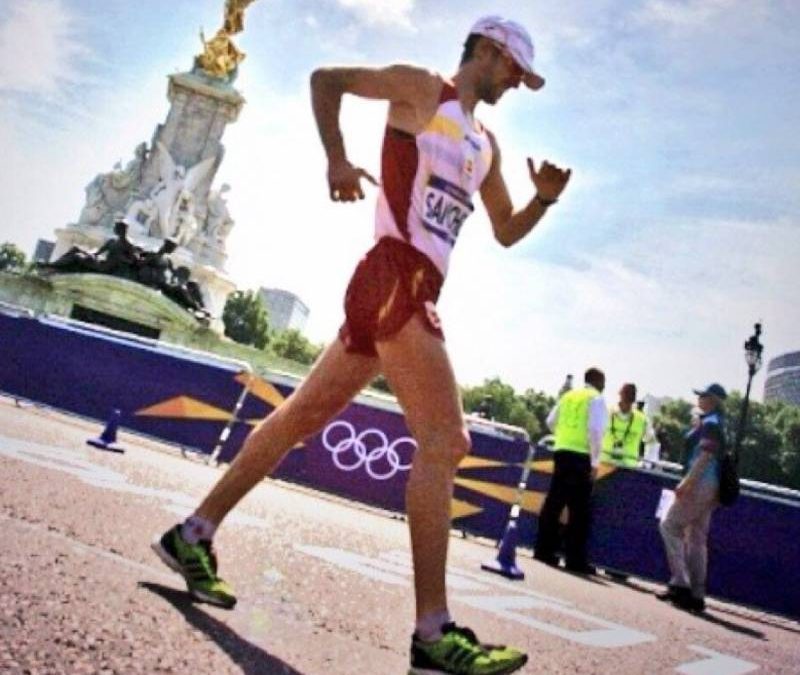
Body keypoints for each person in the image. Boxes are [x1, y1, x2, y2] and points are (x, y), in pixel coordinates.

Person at [152, 15, 571, 675]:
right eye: (514, 70)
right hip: (394, 272)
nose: (517, 84)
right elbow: (327, 81)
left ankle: (192, 532)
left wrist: (542, 201)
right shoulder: (419, 89)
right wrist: (338, 159)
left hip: (413, 283)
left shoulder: (485, 143)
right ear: (487, 52)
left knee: (299, 417)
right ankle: (433, 631)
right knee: (447, 442)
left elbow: (506, 229)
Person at [657, 383, 727, 613]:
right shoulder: (716, 423)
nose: (700, 398)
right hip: (711, 485)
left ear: (713, 399)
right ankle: (697, 594)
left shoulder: (710, 424)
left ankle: (680, 582)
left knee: (669, 526)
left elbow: (705, 456)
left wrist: (687, 482)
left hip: (699, 482)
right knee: (697, 539)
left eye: (704, 395)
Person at [534, 367, 607, 574]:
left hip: (562, 451)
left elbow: (550, 422)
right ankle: (574, 559)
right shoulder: (597, 399)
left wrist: (563, 435)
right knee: (579, 510)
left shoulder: (568, 395)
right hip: (582, 456)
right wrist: (595, 461)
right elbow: (595, 430)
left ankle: (543, 551)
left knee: (554, 502)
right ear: (599, 382)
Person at [600, 383, 651, 468]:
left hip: (628, 470)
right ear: (620, 394)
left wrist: (646, 464)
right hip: (604, 467)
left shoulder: (642, 420)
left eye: (631, 394)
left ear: (634, 398)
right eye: (626, 393)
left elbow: (653, 443)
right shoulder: (605, 413)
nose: (628, 396)